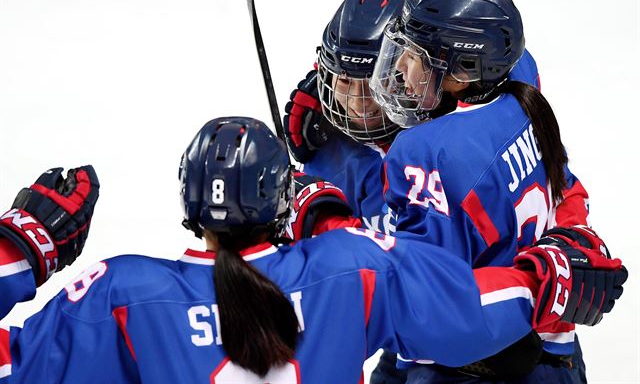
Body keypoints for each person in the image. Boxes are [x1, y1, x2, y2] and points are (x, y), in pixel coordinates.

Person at [0, 117, 625, 383]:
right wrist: (544, 280)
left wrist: (18, 252)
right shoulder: (348, 268)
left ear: (190, 209)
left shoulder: (122, 294)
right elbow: (460, 316)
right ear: (280, 201)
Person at [284, 0, 591, 383]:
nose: (359, 104)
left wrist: (317, 217)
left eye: (373, 80)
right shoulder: (506, 84)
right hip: (456, 328)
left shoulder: (432, 154)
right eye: (343, 82)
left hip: (480, 341)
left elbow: (411, 292)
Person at [368, 0, 605, 383]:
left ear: (465, 68)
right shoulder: (520, 79)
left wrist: (324, 218)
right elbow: (564, 183)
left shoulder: (426, 154)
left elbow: (426, 310)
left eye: (416, 56)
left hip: (470, 362)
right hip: (555, 347)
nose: (402, 69)